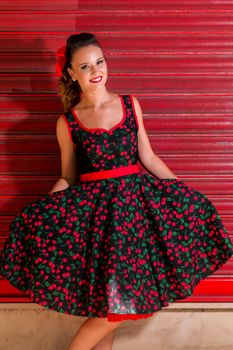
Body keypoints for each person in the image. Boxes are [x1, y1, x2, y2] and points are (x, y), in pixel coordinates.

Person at [0, 32, 232, 350]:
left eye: (100, 61)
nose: (96, 70)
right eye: (85, 66)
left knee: (119, 306)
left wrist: (181, 192)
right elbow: (68, 176)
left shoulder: (129, 104)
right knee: (111, 308)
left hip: (135, 216)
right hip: (99, 222)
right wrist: (45, 210)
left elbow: (147, 157)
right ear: (70, 73)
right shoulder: (67, 122)